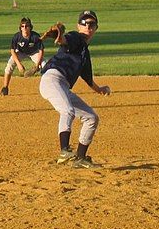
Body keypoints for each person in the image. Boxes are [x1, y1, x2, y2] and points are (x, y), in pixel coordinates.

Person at [39, 10, 111, 169]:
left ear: (96, 28)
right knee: (68, 111)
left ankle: (80, 158)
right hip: (52, 80)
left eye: (92, 24)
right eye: (85, 23)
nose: (88, 27)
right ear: (79, 26)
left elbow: (87, 78)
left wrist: (99, 89)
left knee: (91, 117)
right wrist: (60, 37)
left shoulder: (85, 52)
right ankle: (64, 150)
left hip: (62, 86)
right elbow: (66, 40)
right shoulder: (76, 37)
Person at [0, 17, 44, 96]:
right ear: (20, 28)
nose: (24, 28)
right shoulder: (17, 37)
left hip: (34, 52)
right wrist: (19, 64)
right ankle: (5, 87)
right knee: (9, 65)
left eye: (27, 26)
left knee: (45, 65)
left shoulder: (35, 36)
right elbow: (12, 50)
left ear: (30, 27)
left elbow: (41, 51)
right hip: (20, 52)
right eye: (22, 26)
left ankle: (48, 87)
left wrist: (37, 65)